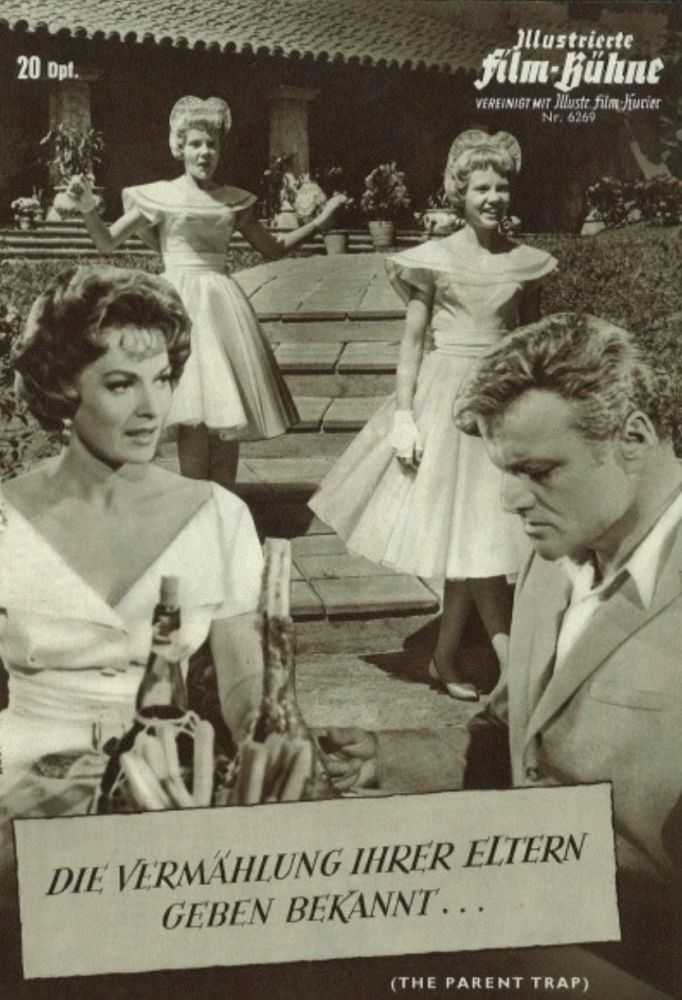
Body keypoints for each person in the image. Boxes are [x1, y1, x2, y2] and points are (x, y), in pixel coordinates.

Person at [319, 314, 682, 987]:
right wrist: (385, 759)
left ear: (633, 437)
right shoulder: (552, 561)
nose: (511, 500)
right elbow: (513, 736)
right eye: (506, 472)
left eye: (538, 470)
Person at [309, 130, 557, 700]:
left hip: (502, 401)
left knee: (473, 534)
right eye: (481, 188)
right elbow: (413, 344)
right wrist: (404, 414)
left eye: (501, 187)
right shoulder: (434, 259)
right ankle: (511, 666)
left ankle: (446, 656)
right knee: (475, 535)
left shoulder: (524, 262)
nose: (493, 198)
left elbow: (532, 340)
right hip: (447, 400)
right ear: (459, 194)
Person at [0, 266, 266, 793]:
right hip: (18, 788)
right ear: (64, 387)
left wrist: (264, 738)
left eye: (162, 380)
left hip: (167, 782)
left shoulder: (220, 516)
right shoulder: (7, 517)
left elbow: (245, 681)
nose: (152, 410)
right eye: (121, 384)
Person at [65, 96, 347, 488]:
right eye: (196, 144)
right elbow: (106, 242)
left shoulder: (233, 200)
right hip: (175, 306)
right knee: (190, 409)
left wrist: (320, 222)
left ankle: (224, 505)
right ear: (179, 147)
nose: (204, 152)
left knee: (225, 408)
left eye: (211, 144)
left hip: (220, 306)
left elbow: (273, 248)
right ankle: (196, 504)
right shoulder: (161, 196)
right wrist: (87, 208)